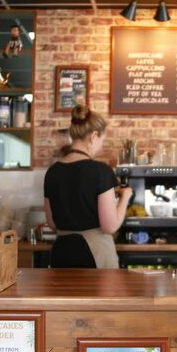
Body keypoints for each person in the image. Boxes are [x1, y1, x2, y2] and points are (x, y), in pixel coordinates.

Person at [44, 105, 132, 268]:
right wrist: (125, 196)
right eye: (102, 140)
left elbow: (52, 223)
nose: (101, 146)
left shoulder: (53, 172)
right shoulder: (101, 172)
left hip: (62, 252)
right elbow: (110, 226)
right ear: (93, 136)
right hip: (95, 254)